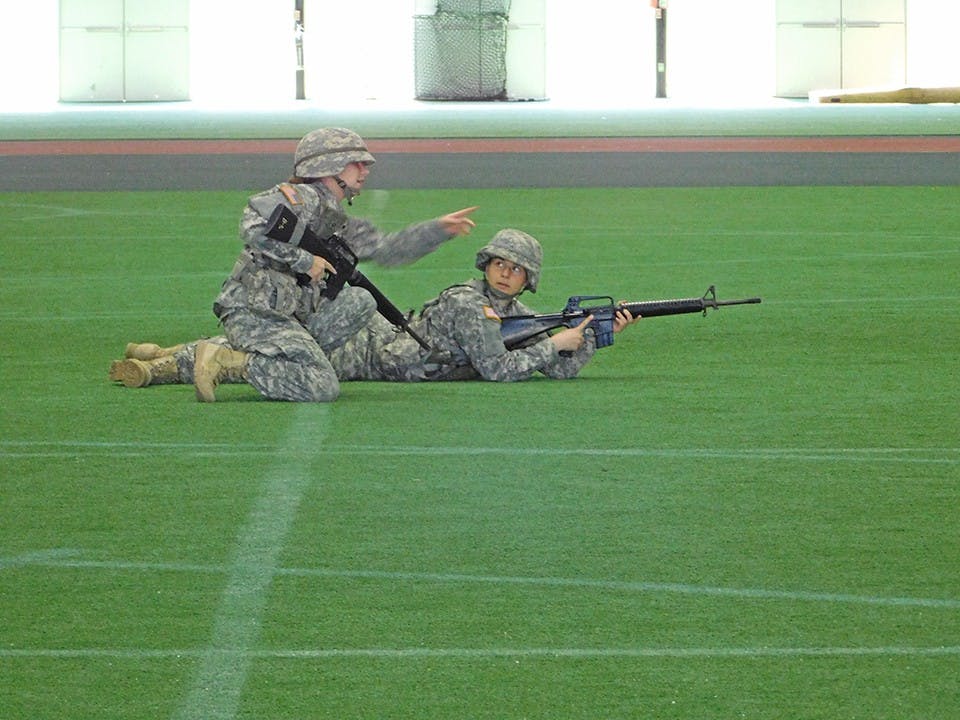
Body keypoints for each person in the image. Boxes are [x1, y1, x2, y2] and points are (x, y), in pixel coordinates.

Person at [107, 127, 478, 402]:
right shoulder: (301, 197)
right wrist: (304, 259)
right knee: (321, 384)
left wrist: (437, 230)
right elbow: (253, 221)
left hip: (289, 315)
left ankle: (164, 358)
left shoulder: (335, 220)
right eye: (356, 162)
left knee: (363, 301)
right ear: (329, 165)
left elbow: (386, 249)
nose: (365, 169)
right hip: (256, 309)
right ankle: (226, 360)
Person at [109, 228, 637, 389]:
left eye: (515, 269)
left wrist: (588, 338)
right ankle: (159, 368)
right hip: (376, 358)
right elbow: (499, 370)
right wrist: (554, 344)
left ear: (528, 279)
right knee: (287, 360)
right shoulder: (470, 306)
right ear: (487, 265)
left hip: (384, 348)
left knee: (278, 342)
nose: (505, 272)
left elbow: (555, 367)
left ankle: (162, 354)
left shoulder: (515, 315)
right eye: (499, 263)